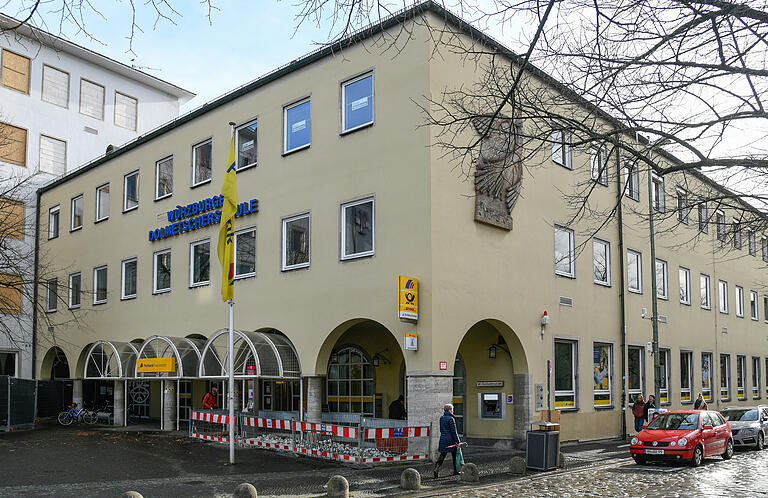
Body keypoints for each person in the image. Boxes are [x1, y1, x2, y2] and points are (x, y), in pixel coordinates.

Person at [434, 403, 461, 478]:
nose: (453, 411)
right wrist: (458, 441)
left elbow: (441, 429)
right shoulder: (451, 419)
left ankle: (436, 468)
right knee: (454, 455)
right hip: (450, 439)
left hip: (443, 439)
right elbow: (454, 431)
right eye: (452, 409)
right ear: (449, 410)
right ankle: (455, 471)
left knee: (442, 455)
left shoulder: (441, 418)